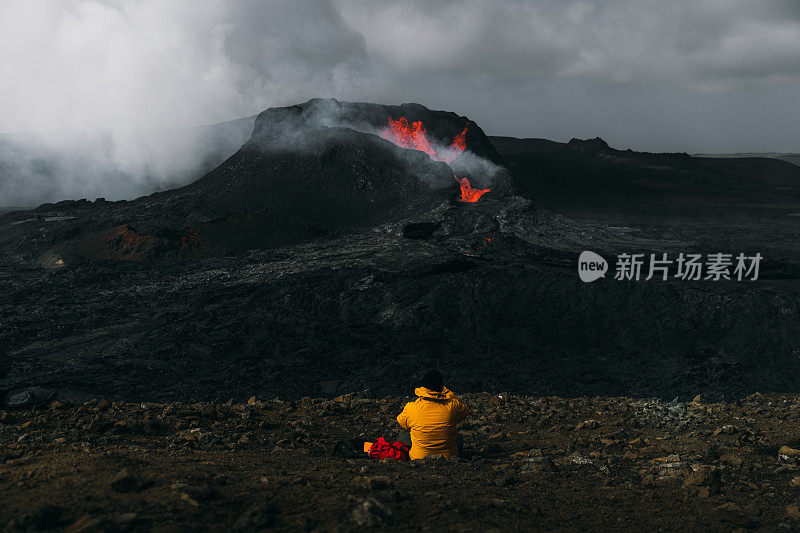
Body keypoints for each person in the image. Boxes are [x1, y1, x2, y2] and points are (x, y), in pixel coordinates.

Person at [396, 369, 469, 460]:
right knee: (458, 437)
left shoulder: (412, 407)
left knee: (402, 436)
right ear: (441, 388)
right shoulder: (453, 406)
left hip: (419, 458)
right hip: (449, 457)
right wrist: (449, 394)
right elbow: (465, 412)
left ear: (423, 387)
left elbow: (401, 422)